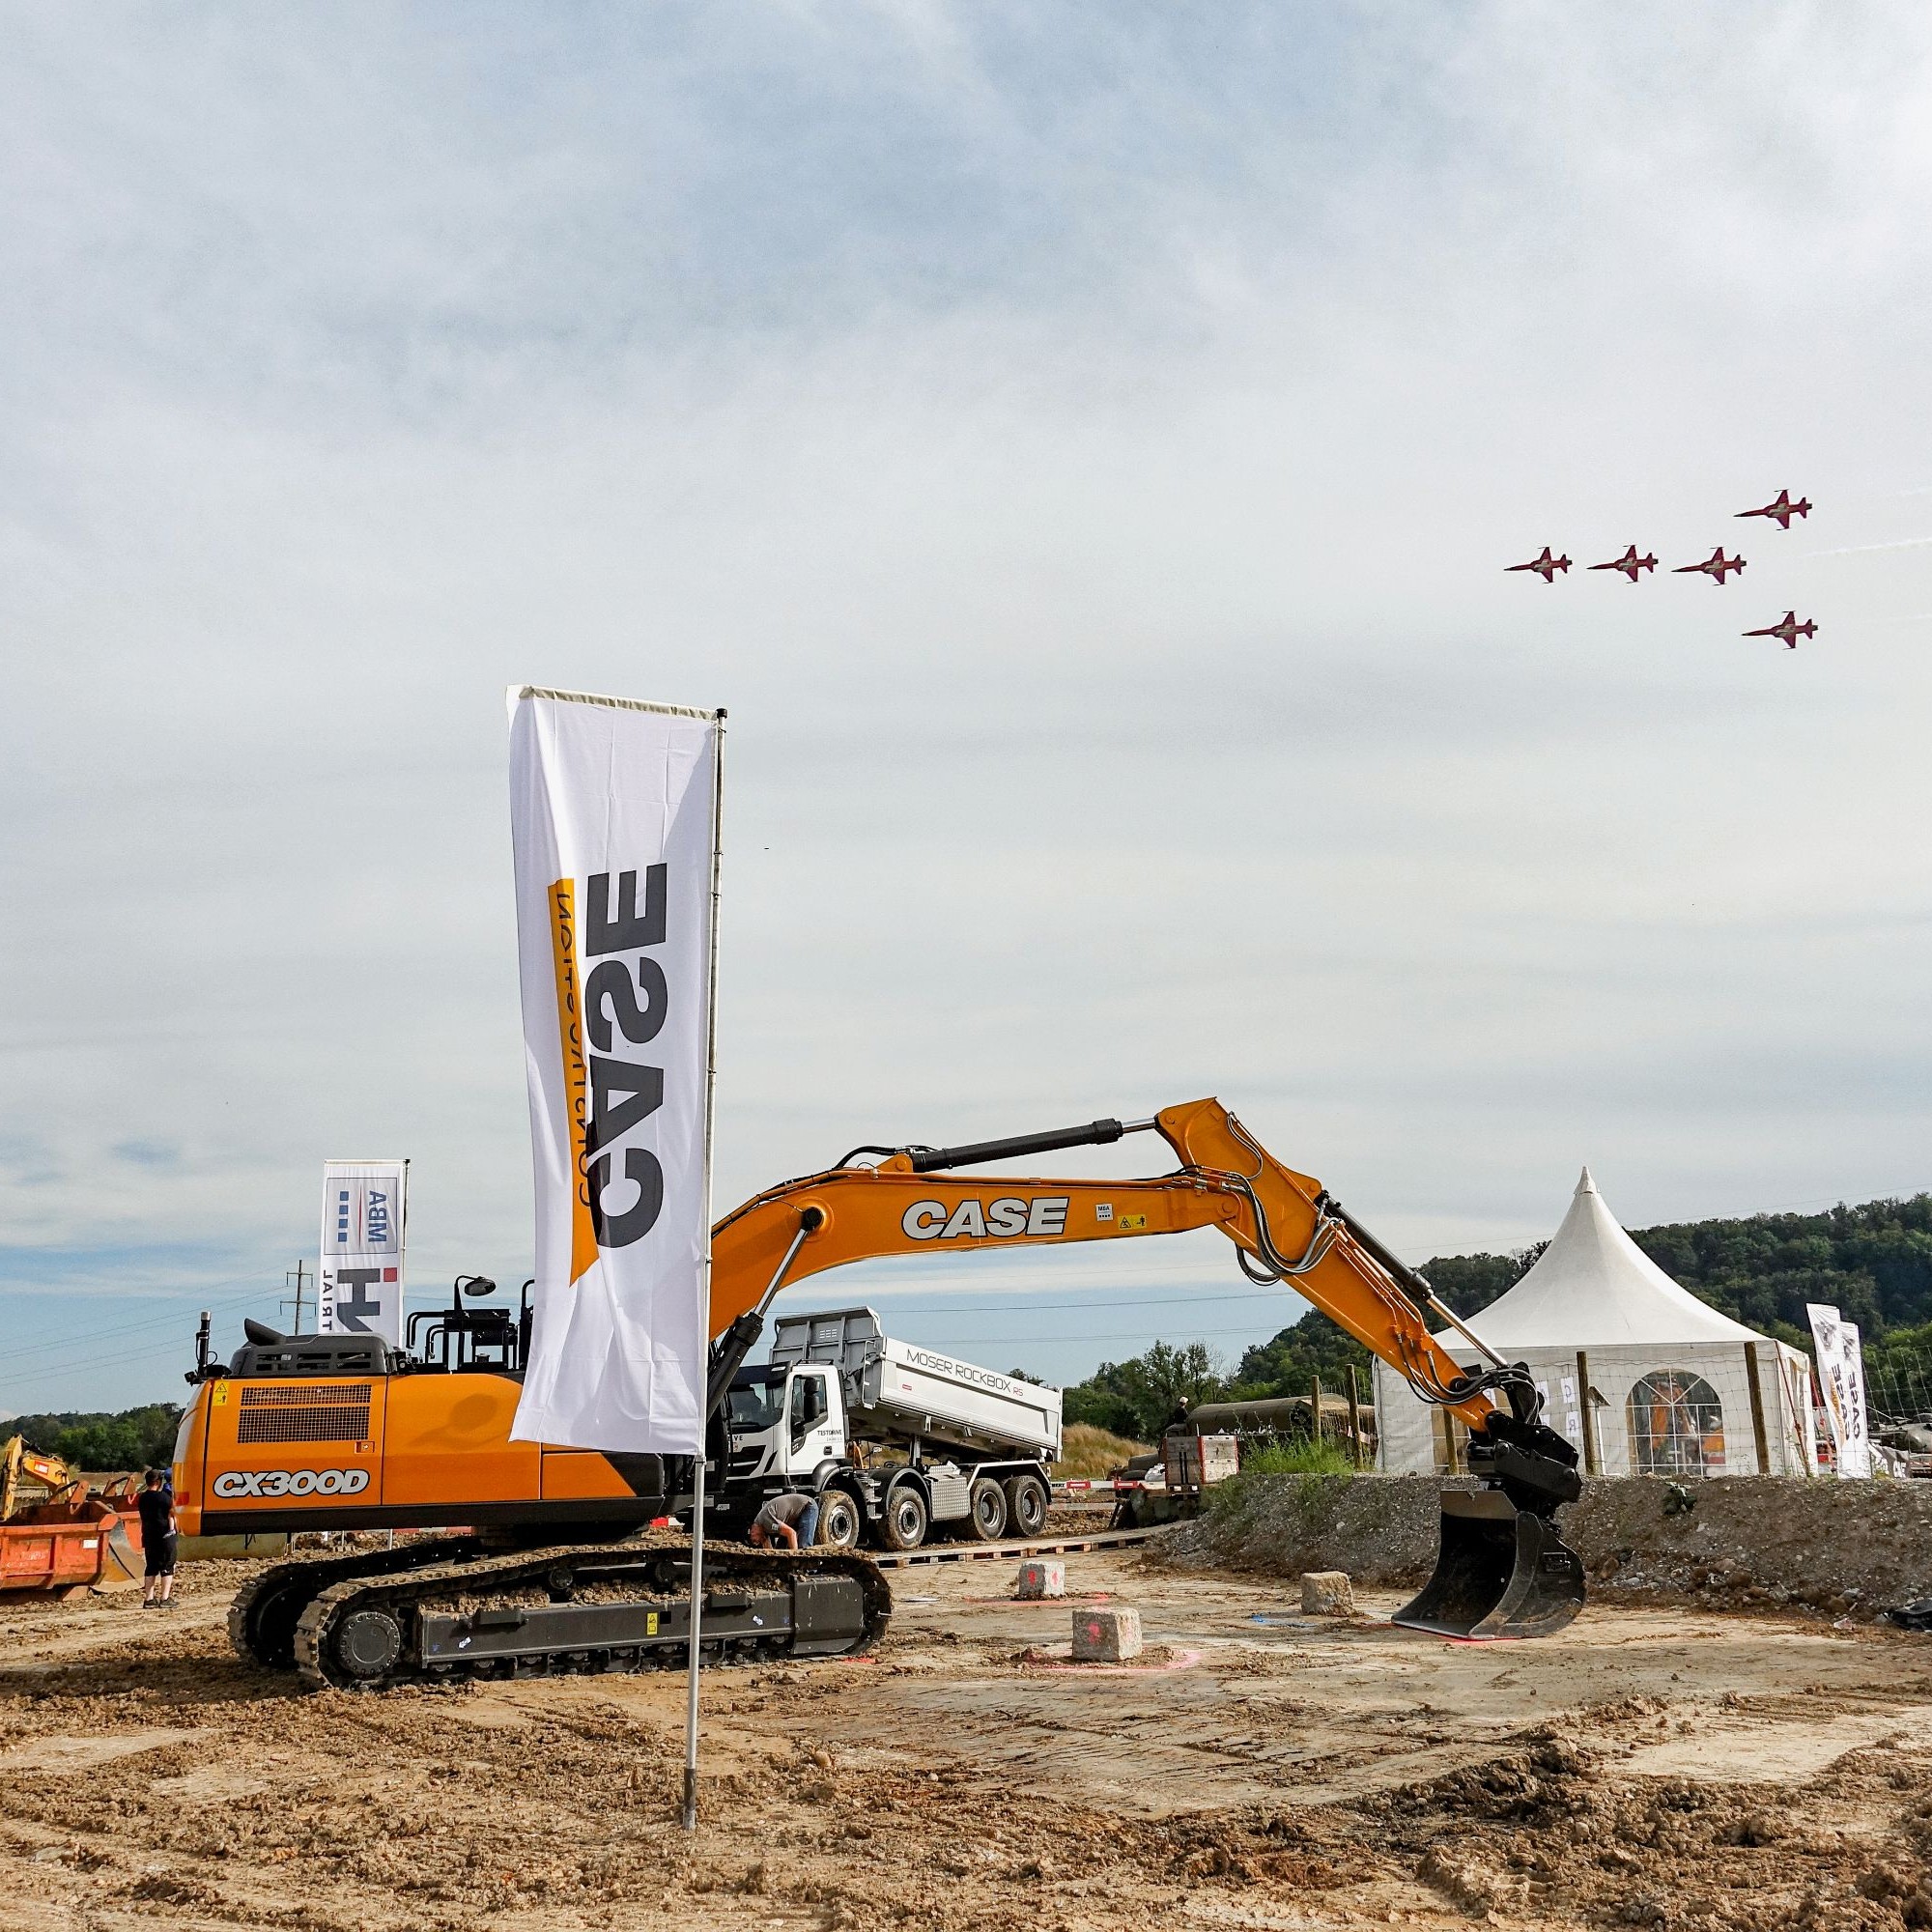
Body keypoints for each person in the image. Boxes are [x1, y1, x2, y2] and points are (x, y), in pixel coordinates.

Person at [136, 1467, 179, 1608]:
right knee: (167, 1566)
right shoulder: (163, 1498)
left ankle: (149, 1599)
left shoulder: (142, 1498)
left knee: (151, 1567)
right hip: (164, 1536)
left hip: (148, 1535)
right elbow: (173, 1511)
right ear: (158, 1482)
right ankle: (165, 1598)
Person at [747, 1490, 818, 1551]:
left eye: (754, 1539)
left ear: (752, 1530)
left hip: (807, 1506)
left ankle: (806, 1566)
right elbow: (768, 1549)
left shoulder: (766, 1522)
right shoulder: (761, 1527)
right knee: (780, 1550)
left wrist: (794, 1557)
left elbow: (791, 1533)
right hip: (792, 1516)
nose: (758, 1541)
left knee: (803, 1546)